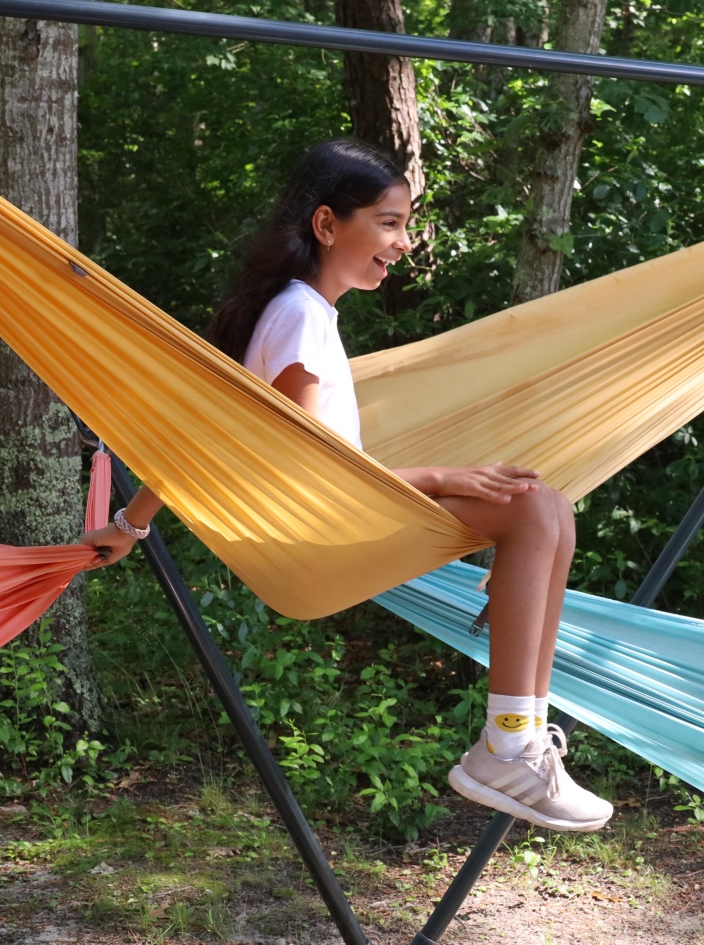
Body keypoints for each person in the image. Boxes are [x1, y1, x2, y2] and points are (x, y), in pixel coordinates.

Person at [80, 137, 612, 834]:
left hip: (339, 517)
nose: (404, 241)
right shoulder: (298, 314)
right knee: (535, 508)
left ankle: (520, 740)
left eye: (406, 223)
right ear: (327, 225)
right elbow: (312, 472)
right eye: (389, 223)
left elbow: (209, 439)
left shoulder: (296, 310)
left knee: (548, 510)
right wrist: (444, 476)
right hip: (321, 531)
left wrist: (132, 524)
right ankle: (506, 746)